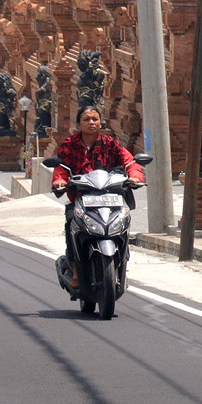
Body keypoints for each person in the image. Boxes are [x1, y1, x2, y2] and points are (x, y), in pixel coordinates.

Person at [52, 105, 145, 293]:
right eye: (86, 119)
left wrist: (135, 177)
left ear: (101, 122)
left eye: (95, 119)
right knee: (71, 221)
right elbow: (61, 168)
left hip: (110, 197)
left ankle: (122, 260)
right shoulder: (68, 146)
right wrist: (59, 181)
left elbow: (130, 162)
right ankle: (76, 269)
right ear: (79, 123)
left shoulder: (111, 144)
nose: (91, 122)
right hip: (82, 199)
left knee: (124, 220)